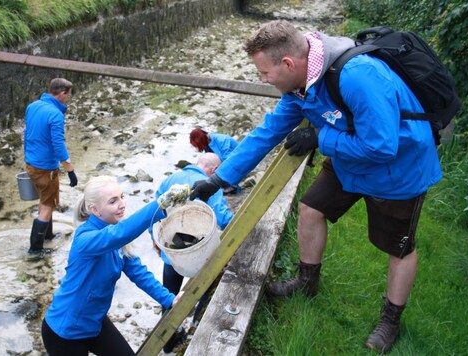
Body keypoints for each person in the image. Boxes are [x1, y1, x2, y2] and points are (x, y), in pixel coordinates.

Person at [189, 20, 441, 353]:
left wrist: (321, 138)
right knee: (311, 208)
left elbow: (382, 146)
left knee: (398, 246)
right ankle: (307, 282)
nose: (262, 79)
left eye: (264, 72)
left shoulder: (358, 77)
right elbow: (267, 133)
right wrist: (219, 180)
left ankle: (390, 320)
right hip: (351, 156)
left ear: (289, 64)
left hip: (398, 167)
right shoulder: (299, 87)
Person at [41, 175, 189, 356]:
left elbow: (139, 273)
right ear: (95, 209)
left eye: (122, 196)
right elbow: (118, 234)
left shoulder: (116, 236)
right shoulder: (86, 240)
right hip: (65, 331)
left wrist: (169, 300)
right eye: (113, 201)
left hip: (94, 321)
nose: (122, 204)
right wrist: (159, 205)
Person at [151, 152, 234, 352]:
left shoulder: (170, 179)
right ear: (214, 170)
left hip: (173, 254)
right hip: (200, 256)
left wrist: (154, 239)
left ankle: (167, 341)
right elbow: (222, 217)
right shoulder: (209, 184)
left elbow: (154, 211)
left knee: (168, 295)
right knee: (204, 290)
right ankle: (194, 329)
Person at [24, 78, 78, 255]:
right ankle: (35, 250)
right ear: (62, 93)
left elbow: (29, 134)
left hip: (32, 163)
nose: (68, 98)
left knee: (46, 200)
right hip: (45, 167)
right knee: (48, 204)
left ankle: (48, 236)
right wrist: (70, 170)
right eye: (68, 95)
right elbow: (58, 144)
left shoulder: (32, 106)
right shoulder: (55, 114)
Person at [190, 128, 240, 194]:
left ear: (202, 141)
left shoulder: (222, 141)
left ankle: (233, 187)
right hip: (224, 163)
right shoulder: (207, 144)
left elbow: (229, 161)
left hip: (237, 162)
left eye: (198, 145)